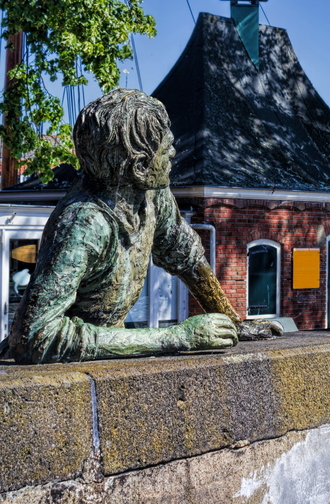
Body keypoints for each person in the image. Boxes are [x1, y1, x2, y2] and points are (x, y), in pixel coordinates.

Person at [2, 89, 279, 364]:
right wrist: (177, 337)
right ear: (140, 166)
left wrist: (232, 323)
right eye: (166, 148)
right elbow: (34, 338)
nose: (173, 153)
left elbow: (186, 255)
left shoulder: (152, 193)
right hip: (60, 369)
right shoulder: (83, 223)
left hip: (104, 353)